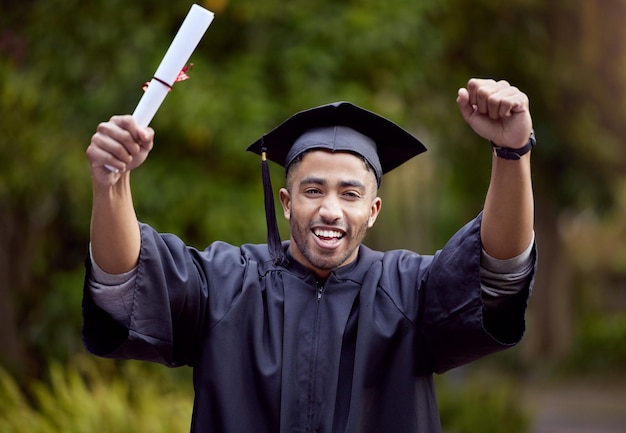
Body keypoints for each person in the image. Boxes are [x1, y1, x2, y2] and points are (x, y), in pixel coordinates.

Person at [82, 78, 536, 433]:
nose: (330, 210)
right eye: (313, 190)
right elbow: (128, 278)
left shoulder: (408, 291)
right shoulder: (226, 283)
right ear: (286, 201)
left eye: (350, 193)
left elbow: (495, 267)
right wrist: (111, 184)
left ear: (373, 210)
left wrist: (512, 151)